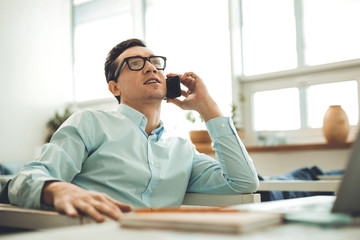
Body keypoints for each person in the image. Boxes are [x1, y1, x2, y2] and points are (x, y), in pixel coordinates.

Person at [6, 39, 259, 222]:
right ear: (114, 88)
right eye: (135, 63)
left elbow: (243, 182)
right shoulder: (89, 123)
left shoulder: (182, 149)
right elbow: (24, 180)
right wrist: (56, 189)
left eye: (154, 62)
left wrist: (208, 108)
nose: (150, 68)